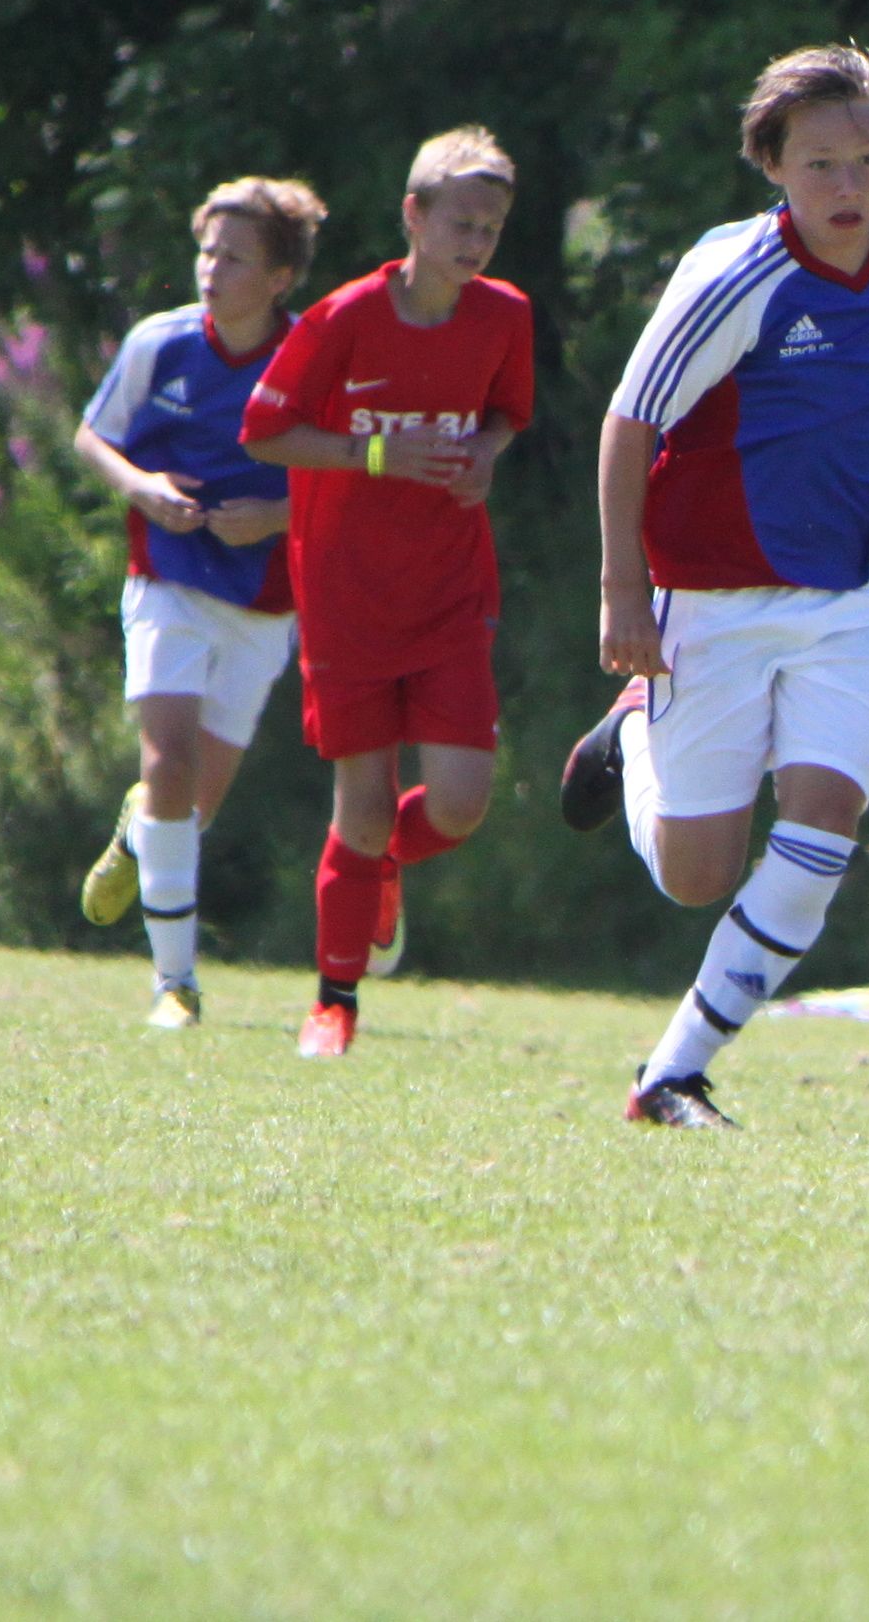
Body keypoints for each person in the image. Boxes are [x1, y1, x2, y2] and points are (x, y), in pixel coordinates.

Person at [557, 44, 869, 1128]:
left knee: (824, 819)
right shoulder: (735, 278)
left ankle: (672, 1073)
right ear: (772, 164)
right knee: (697, 874)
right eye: (820, 164)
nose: (848, 185)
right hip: (713, 595)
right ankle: (630, 733)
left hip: (854, 594)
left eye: (866, 161)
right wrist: (622, 592)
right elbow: (629, 423)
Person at [241, 127, 536, 1058]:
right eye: (461, 223)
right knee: (361, 806)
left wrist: (485, 453)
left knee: (460, 802)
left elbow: (507, 413)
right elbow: (265, 432)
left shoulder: (505, 315)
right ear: (414, 216)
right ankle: (334, 1004)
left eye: (490, 228)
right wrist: (374, 453)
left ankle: (375, 869)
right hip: (347, 592)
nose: (475, 242)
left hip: (450, 590)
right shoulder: (344, 318)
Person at [74, 177, 325, 1026]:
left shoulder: (312, 357)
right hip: (168, 577)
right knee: (170, 764)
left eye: (236, 258)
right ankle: (175, 984)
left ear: (281, 277)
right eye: (207, 251)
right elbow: (92, 435)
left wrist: (276, 517)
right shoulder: (161, 341)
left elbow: (348, 478)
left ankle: (135, 831)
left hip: (263, 604)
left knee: (189, 805)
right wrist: (142, 489)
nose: (212, 269)